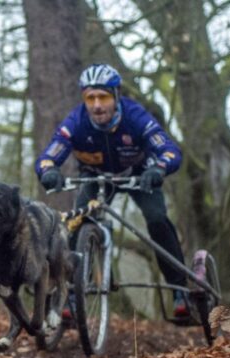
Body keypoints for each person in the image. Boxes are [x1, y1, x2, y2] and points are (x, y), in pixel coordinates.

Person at [35, 63, 189, 317]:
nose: (97, 105)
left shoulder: (135, 116)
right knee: (77, 224)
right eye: (90, 97)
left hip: (139, 175)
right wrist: (49, 171)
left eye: (103, 97)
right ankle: (71, 293)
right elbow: (49, 155)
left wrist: (159, 169)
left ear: (116, 96)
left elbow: (170, 151)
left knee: (157, 219)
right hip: (95, 177)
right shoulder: (76, 122)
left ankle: (179, 289)